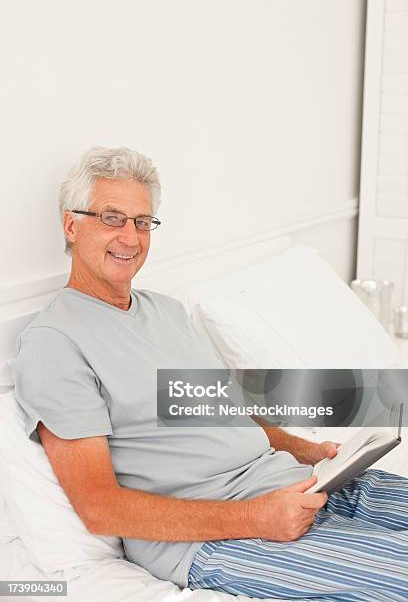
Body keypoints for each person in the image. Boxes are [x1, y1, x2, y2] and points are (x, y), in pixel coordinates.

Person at [11, 147, 408, 601]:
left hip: (298, 484)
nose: (131, 236)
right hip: (218, 536)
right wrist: (257, 518)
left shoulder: (167, 311)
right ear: (71, 225)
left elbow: (226, 411)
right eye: (111, 217)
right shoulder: (54, 343)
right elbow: (99, 506)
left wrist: (309, 450)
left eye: (142, 222)